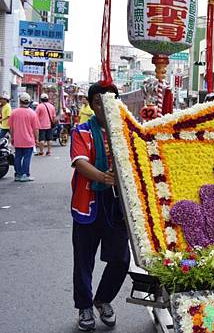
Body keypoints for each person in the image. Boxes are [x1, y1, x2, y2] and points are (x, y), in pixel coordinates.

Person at [70, 82, 130, 331]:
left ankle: (103, 299)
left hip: (117, 205)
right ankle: (84, 306)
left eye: (111, 100)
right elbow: (79, 162)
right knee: (84, 259)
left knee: (122, 258)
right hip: (89, 202)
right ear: (91, 103)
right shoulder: (82, 131)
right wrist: (103, 177)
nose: (105, 106)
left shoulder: (126, 130)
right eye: (99, 101)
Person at [8, 93, 40, 182]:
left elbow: (11, 128)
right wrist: (36, 139)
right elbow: (36, 129)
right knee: (27, 158)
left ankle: (18, 174)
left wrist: (12, 137)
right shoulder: (32, 113)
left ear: (20, 101)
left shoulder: (14, 112)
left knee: (17, 157)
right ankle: (25, 174)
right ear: (29, 102)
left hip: (18, 139)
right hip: (29, 140)